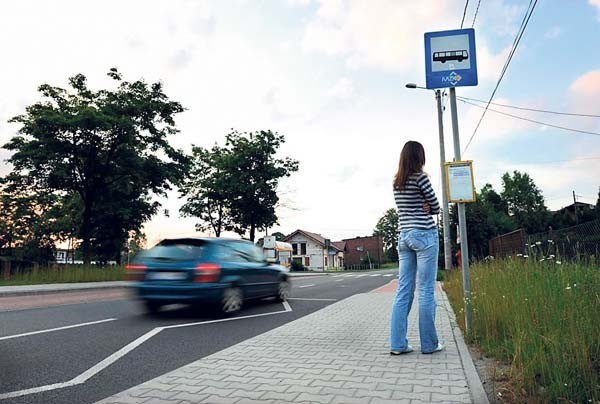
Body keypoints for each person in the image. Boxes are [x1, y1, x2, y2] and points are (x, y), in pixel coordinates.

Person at [390, 140, 444, 355]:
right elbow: (436, 207)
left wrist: (426, 205)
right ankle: (430, 345)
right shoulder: (421, 178)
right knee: (425, 290)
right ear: (419, 157)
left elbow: (408, 208)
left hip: (404, 237)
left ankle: (398, 344)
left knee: (403, 291)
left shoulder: (397, 182)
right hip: (424, 236)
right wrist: (428, 206)